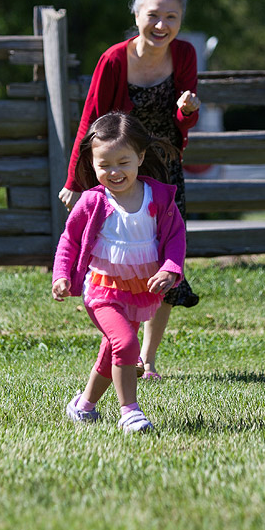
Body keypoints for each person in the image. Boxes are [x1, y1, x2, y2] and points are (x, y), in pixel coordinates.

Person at [57, 0, 201, 380]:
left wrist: (187, 111)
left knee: (167, 255)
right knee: (124, 255)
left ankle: (148, 358)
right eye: (153, 14)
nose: (161, 25)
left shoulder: (185, 55)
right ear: (136, 13)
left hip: (166, 170)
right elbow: (92, 123)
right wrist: (74, 180)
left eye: (171, 17)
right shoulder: (114, 58)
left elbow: (182, 121)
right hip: (122, 165)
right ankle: (121, 338)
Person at [52, 112, 187, 433]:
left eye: (123, 162)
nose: (114, 171)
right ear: (93, 163)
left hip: (140, 290)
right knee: (125, 344)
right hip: (101, 289)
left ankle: (83, 406)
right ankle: (130, 412)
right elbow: (68, 240)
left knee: (112, 349)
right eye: (104, 164)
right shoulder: (91, 202)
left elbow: (176, 238)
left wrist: (171, 269)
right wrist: (61, 274)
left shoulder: (159, 198)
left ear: (140, 157)